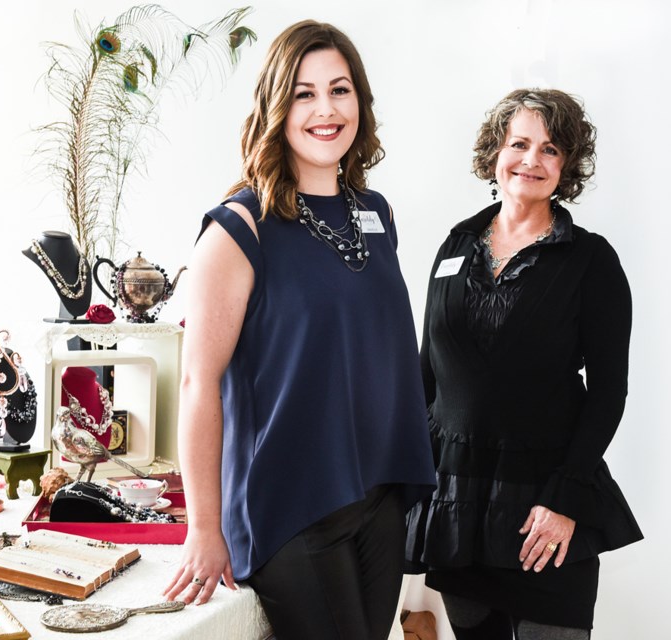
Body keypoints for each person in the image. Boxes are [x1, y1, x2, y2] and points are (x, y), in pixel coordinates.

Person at [161, 20, 436, 640]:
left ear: (360, 102)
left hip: (377, 494)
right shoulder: (240, 227)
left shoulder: (376, 213)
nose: (325, 110)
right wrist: (202, 527)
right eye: (304, 93)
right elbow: (198, 384)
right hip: (289, 505)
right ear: (276, 107)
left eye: (339, 90)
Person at [407, 89, 644, 639]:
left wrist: (564, 499)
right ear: (495, 153)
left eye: (551, 149)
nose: (531, 161)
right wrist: (410, 480)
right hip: (459, 508)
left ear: (568, 166)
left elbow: (609, 391)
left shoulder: (590, 260)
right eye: (519, 144)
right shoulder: (454, 245)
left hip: (544, 510)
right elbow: (427, 372)